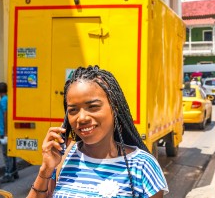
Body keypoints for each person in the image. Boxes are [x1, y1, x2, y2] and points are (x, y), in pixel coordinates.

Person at [27, 65, 168, 198]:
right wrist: (45, 170)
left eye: (93, 107)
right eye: (73, 110)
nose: (82, 118)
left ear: (115, 108)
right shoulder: (62, 159)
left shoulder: (142, 166)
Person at [0, 82, 18, 182]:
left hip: (4, 131)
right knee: (11, 151)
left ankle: (8, 173)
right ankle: (14, 172)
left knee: (6, 154)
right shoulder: (9, 98)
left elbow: (5, 115)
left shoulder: (3, 100)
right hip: (8, 130)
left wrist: (5, 132)